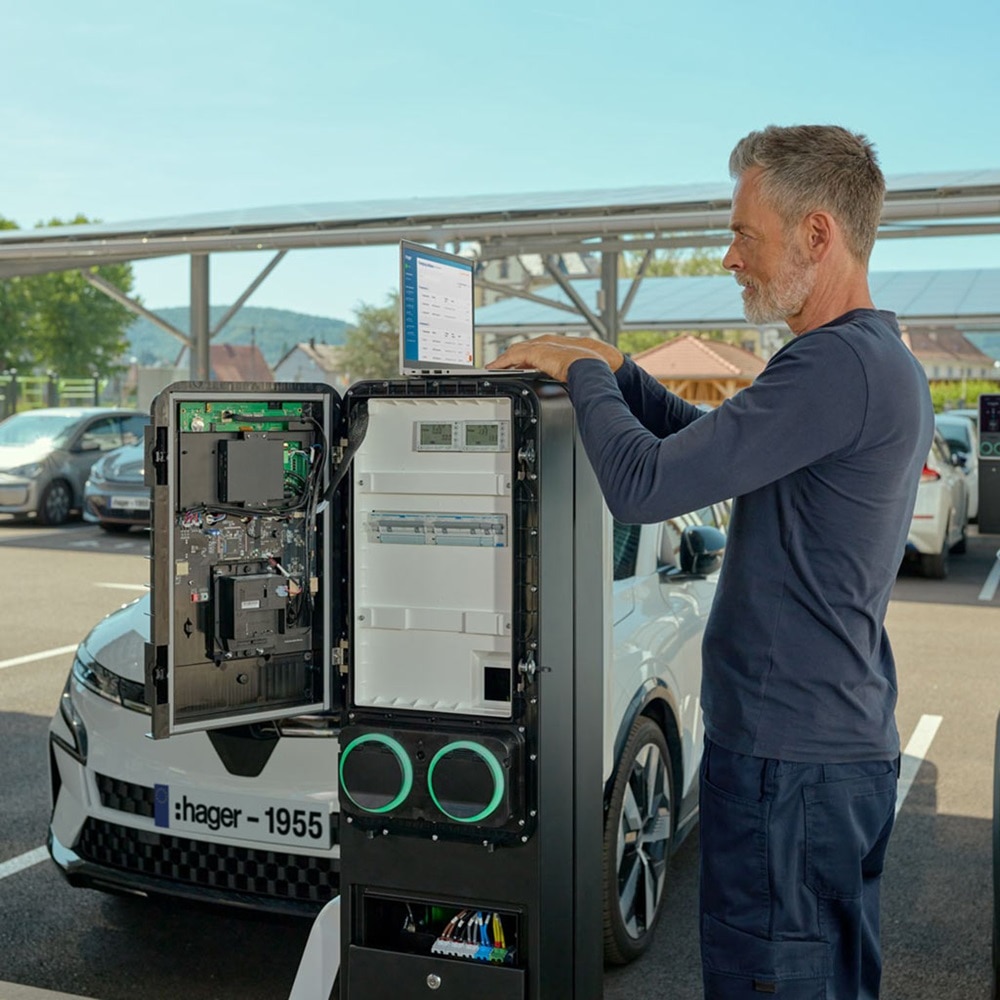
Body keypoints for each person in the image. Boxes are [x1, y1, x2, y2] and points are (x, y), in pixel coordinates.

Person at [487, 124, 934, 999]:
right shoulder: (871, 360)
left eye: (745, 234)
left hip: (789, 763)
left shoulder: (833, 365)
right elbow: (710, 452)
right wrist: (620, 372)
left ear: (817, 234)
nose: (729, 257)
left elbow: (645, 486)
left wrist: (580, 372)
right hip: (827, 753)